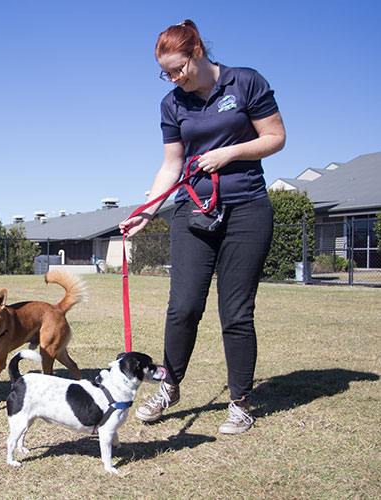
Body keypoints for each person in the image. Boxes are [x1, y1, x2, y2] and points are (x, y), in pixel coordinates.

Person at [119, 20, 285, 434]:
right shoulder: (172, 103)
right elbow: (171, 164)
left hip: (246, 208)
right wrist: (148, 209)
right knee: (183, 307)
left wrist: (229, 154)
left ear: (197, 53)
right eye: (166, 73)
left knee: (236, 312)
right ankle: (170, 386)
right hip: (193, 212)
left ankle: (241, 402)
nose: (174, 78)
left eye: (178, 68)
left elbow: (275, 137)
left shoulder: (245, 82)